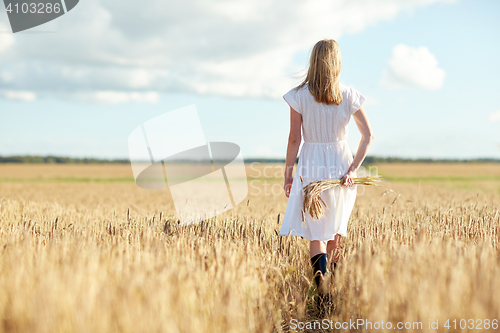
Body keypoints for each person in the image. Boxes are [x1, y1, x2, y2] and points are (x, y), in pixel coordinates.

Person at [279, 39, 374, 312]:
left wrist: (288, 175)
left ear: (313, 61)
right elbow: (368, 136)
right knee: (336, 231)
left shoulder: (298, 96)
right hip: (341, 168)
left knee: (316, 234)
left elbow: (294, 139)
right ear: (337, 63)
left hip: (311, 168)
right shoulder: (348, 95)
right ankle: (331, 289)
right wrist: (353, 170)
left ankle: (321, 295)